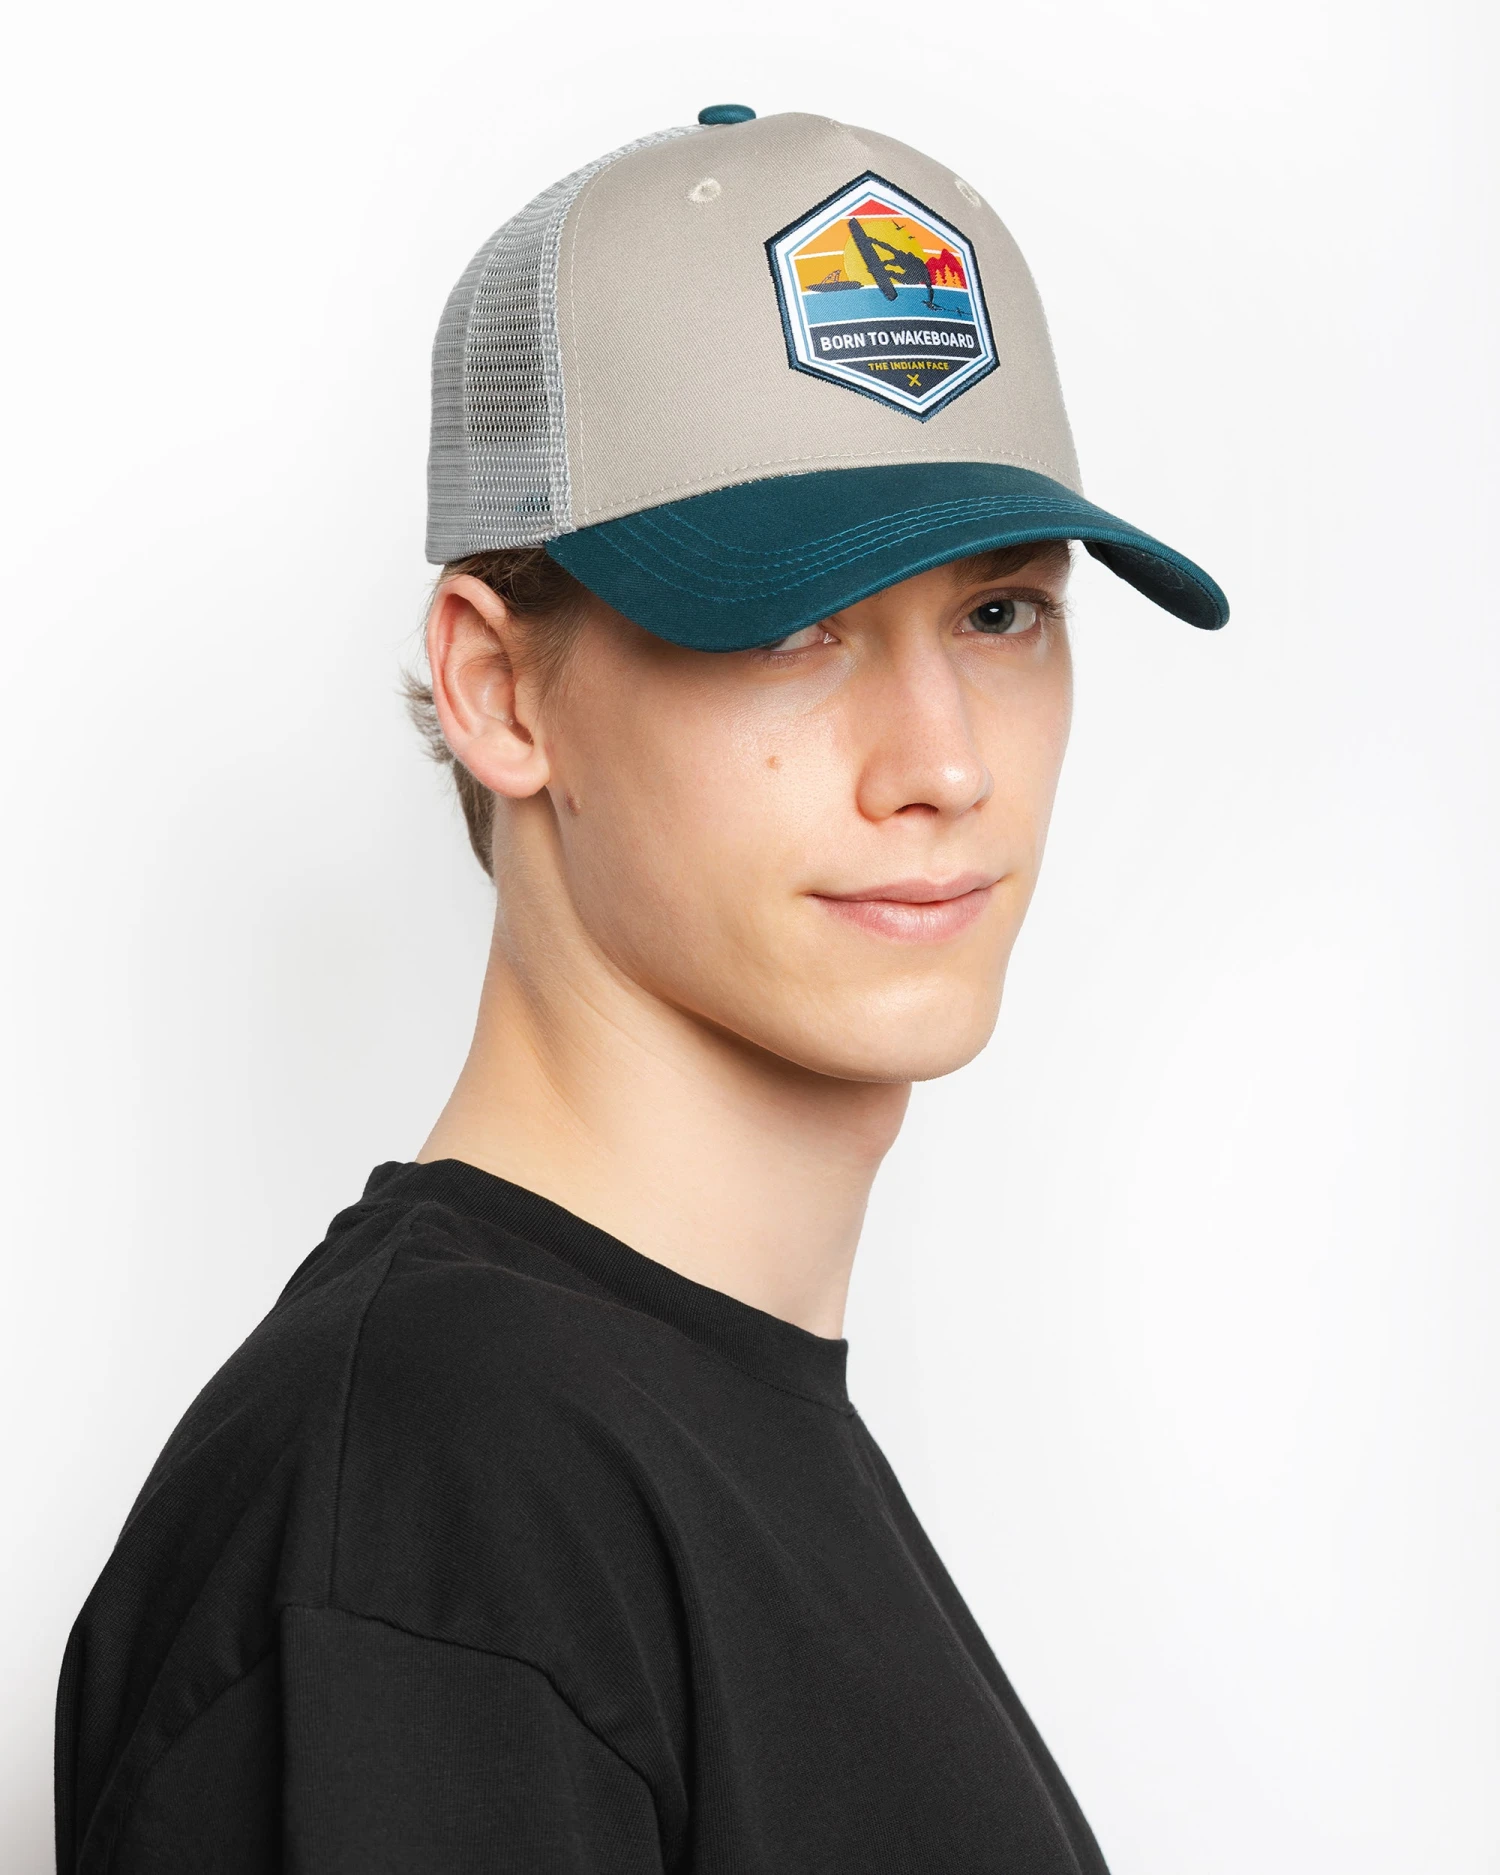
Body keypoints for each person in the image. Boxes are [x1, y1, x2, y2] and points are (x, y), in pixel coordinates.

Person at [55, 106, 1226, 1872]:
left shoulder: (644, 1439)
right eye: (795, 623)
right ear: (500, 690)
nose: (945, 764)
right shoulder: (446, 1504)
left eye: (1001, 615)